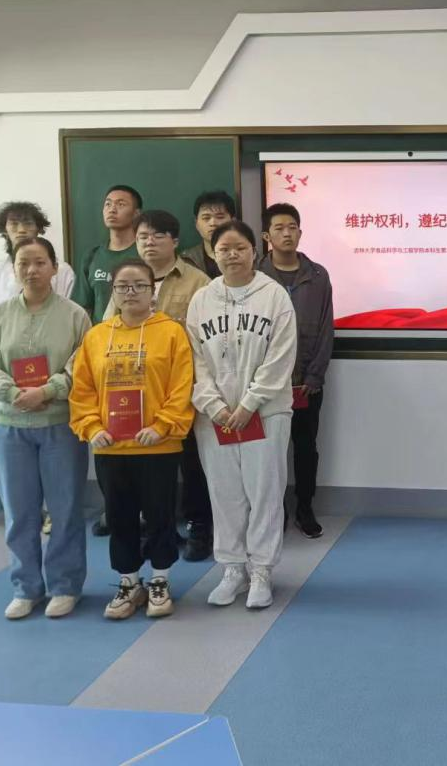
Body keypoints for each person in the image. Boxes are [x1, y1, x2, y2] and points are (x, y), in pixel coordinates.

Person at [0, 237, 91, 619]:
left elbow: (82, 363)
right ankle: (26, 588)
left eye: (40, 262)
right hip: (11, 425)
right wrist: (11, 392)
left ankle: (65, 586)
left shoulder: (75, 315)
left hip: (59, 424)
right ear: (14, 269)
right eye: (23, 263)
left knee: (65, 509)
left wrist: (48, 390)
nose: (32, 270)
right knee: (19, 511)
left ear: (55, 268)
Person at [69, 260, 195, 621]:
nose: (131, 292)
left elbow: (182, 385)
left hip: (158, 445)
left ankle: (160, 580)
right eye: (123, 286)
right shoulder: (96, 336)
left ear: (152, 290)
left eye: (139, 285)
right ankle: (129, 582)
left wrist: (163, 425)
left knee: (160, 514)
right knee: (119, 516)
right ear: (113, 292)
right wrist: (92, 427)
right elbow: (83, 389)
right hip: (111, 446)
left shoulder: (171, 333)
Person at [188, 220, 298, 609]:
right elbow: (196, 360)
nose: (232, 255)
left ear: (255, 251)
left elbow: (281, 355)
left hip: (265, 412)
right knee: (224, 493)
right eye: (224, 249)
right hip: (215, 416)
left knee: (264, 490)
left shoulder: (274, 296)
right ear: (213, 253)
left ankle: (262, 570)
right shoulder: (202, 299)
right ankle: (233, 569)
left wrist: (249, 403)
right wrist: (214, 405)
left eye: (240, 248)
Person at [104, 209, 212, 561]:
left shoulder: (198, 282)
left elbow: (206, 339)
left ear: (175, 241)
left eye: (157, 236)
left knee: (191, 464)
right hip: (136, 390)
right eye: (142, 237)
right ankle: (156, 528)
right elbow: (107, 329)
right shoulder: (126, 280)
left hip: (183, 388)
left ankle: (198, 526)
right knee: (148, 468)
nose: (149, 242)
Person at [259, 203, 334, 539]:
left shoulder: (318, 275)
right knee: (267, 451)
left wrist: (315, 376)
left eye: (292, 227)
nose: (287, 233)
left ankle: (305, 507)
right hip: (265, 385)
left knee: (306, 448)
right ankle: (274, 511)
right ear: (266, 236)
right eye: (279, 228)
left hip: (305, 384)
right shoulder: (256, 276)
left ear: (300, 232)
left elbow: (326, 328)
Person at [0, 201, 75, 354]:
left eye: (28, 223)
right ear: (4, 229)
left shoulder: (62, 272)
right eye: (14, 224)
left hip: (51, 356)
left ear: (38, 228)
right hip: (0, 360)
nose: (21, 230)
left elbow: (68, 319)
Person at [74, 184, 142, 324]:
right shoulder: (92, 256)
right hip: (100, 334)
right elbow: (83, 307)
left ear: (136, 213)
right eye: (108, 204)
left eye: (121, 204)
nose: (112, 209)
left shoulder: (144, 254)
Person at [182, 190, 238, 279]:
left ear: (233, 222)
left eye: (220, 217)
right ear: (196, 224)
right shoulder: (187, 260)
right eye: (206, 218)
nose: (213, 223)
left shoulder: (247, 255)